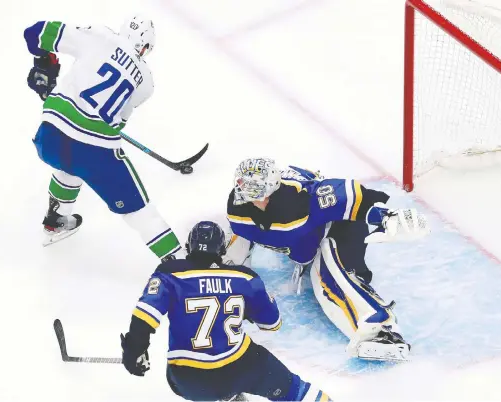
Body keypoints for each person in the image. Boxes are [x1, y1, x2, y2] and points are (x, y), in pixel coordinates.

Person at [224, 158, 431, 361]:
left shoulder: (300, 199)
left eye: (254, 187)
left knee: (330, 273)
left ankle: (382, 330)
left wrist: (385, 216)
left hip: (337, 225)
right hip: (302, 242)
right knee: (232, 257)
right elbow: (244, 232)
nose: (246, 192)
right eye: (243, 185)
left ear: (271, 187)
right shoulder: (237, 206)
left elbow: (344, 196)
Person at [23, 16, 183, 260]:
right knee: (140, 212)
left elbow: (35, 33)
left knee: (68, 162)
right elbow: (117, 121)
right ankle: (181, 264)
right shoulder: (146, 83)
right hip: (94, 151)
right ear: (147, 48)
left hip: (49, 136)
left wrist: (43, 63)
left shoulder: (99, 35)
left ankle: (56, 219)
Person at [120, 221, 333, 402]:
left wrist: (134, 350)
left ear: (189, 247)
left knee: (196, 379)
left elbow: (144, 315)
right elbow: (272, 324)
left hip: (188, 381)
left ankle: (225, 396)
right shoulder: (244, 277)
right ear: (222, 250)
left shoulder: (169, 273)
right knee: (295, 391)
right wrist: (246, 309)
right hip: (240, 369)